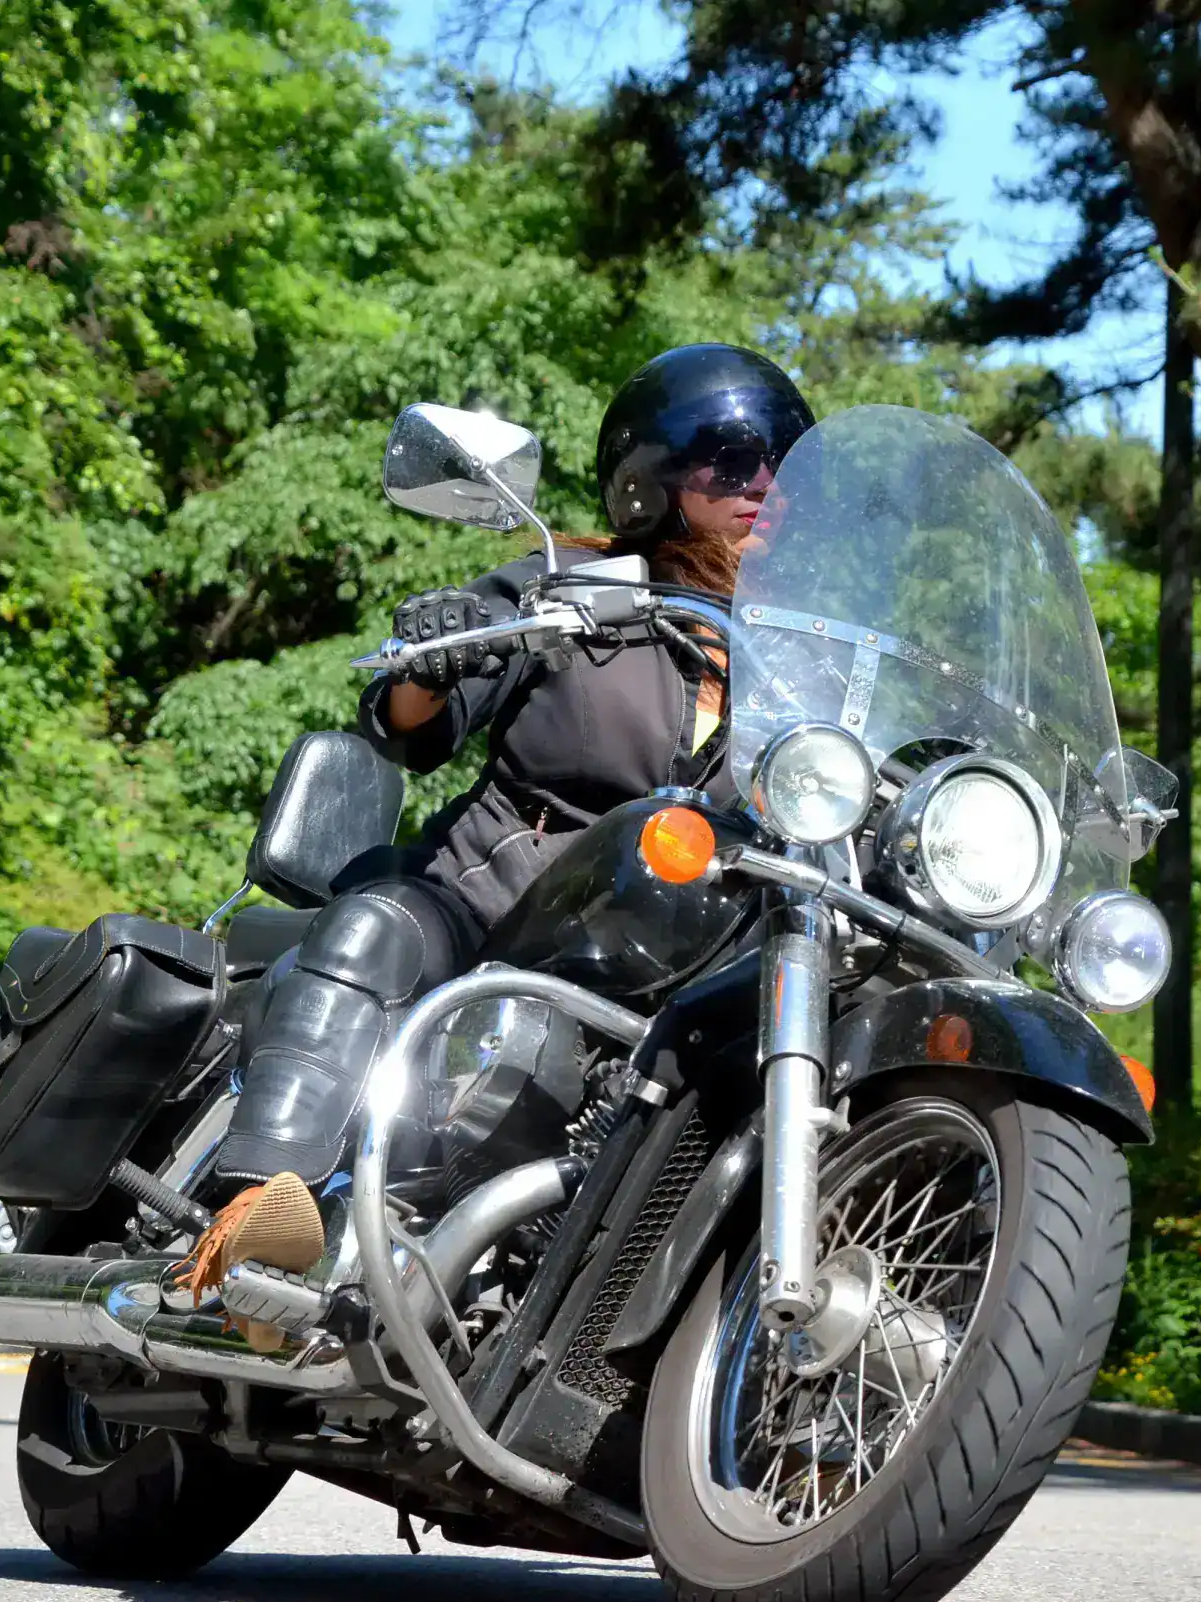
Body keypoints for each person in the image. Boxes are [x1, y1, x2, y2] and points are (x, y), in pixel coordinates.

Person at [196, 344, 816, 1206]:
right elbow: (409, 724)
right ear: (652, 477)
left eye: (786, 464)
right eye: (737, 459)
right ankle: (259, 1210)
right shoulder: (576, 589)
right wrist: (436, 654)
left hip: (666, 968)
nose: (766, 484)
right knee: (373, 929)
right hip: (487, 916)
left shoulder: (802, 663)